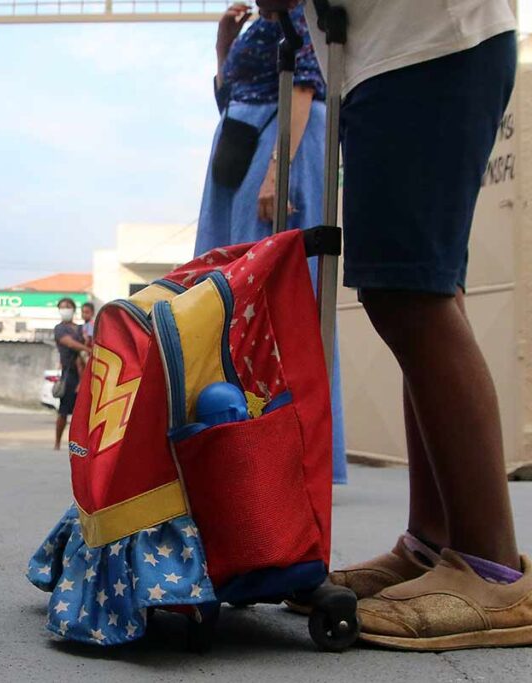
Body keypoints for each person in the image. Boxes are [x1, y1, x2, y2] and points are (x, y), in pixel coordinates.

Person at [258, 0, 528, 651]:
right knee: (425, 287)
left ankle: (491, 566)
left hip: (424, 43)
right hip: (400, 50)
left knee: (407, 290)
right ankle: (434, 543)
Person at [197, 3, 348, 486]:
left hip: (281, 145)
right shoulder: (257, 23)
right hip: (239, 154)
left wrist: (276, 171)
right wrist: (223, 45)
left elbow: (304, 87)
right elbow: (230, 97)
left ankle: (291, 444)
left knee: (277, 296)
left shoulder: (300, 12)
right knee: (230, 293)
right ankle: (238, 435)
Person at [53, 297, 90, 451]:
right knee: (63, 411)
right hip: (69, 374)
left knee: (82, 413)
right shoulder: (60, 328)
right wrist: (87, 349)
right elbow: (69, 343)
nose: (65, 309)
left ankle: (80, 444)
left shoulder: (82, 327)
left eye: (68, 306)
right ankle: (57, 442)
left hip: (85, 372)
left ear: (74, 309)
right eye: (62, 307)